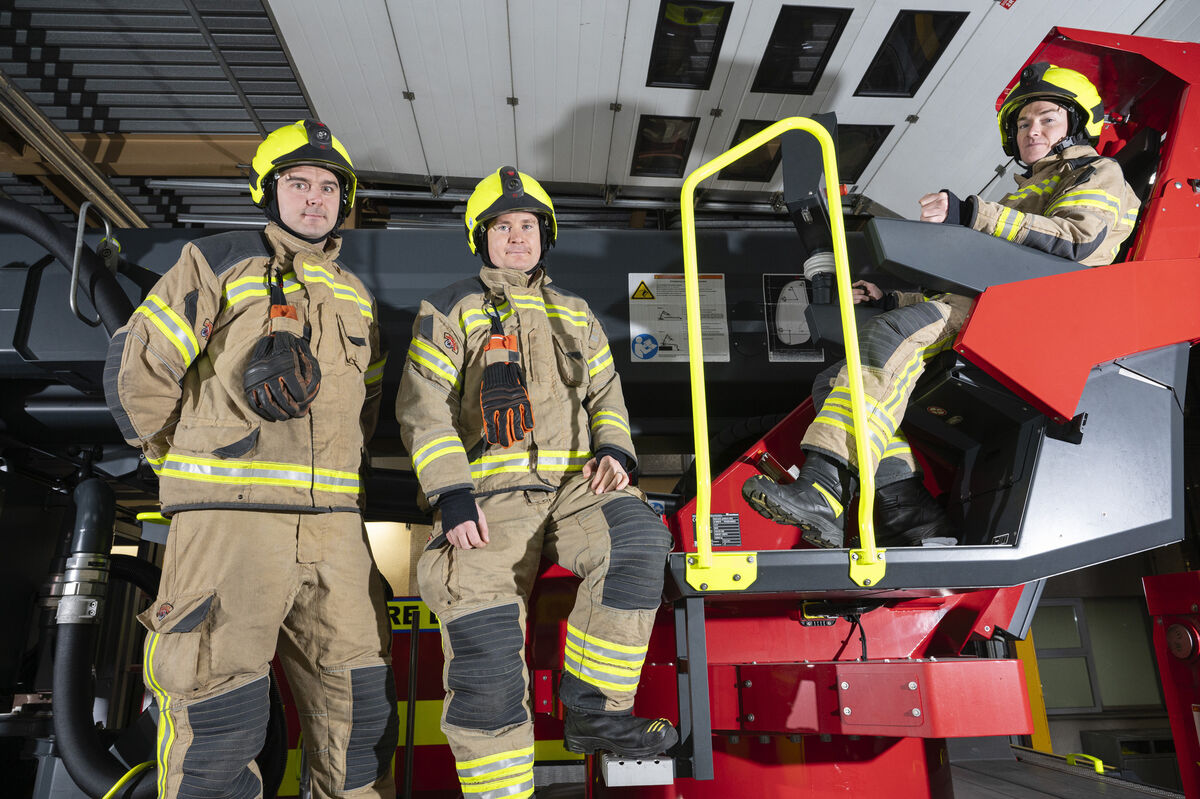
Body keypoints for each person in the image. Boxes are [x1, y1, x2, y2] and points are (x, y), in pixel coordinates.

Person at [104, 119, 398, 799]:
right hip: (230, 523)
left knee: (359, 707)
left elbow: (367, 409)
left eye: (329, 186)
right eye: (299, 183)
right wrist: (183, 462)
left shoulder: (355, 296)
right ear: (268, 191)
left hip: (335, 531)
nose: (316, 197)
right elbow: (139, 368)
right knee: (217, 707)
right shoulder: (218, 260)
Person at [744, 63, 1141, 548]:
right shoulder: (1028, 189)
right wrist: (891, 296)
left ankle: (826, 490)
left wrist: (973, 213)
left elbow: (1075, 242)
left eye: (1046, 119)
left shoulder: (1098, 172)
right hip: (1001, 305)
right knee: (833, 380)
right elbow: (973, 282)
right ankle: (911, 521)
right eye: (1022, 124)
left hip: (1041, 312)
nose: (1031, 131)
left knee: (890, 336)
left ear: (1076, 126)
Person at [396, 166, 678, 798]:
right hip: (487, 502)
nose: (517, 237)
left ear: (544, 236)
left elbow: (607, 394)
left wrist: (616, 451)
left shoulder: (575, 313)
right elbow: (422, 409)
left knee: (637, 542)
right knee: (488, 658)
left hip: (576, 488)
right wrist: (451, 493)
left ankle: (595, 710)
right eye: (502, 227)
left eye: (528, 226)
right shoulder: (450, 309)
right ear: (482, 237)